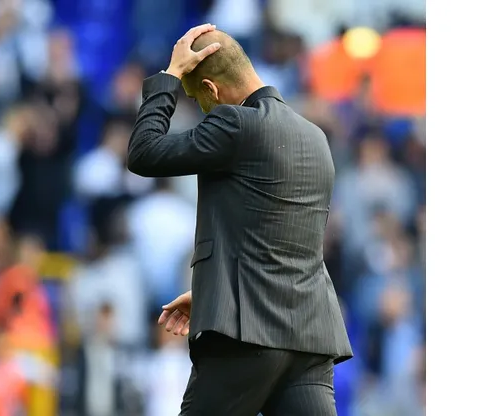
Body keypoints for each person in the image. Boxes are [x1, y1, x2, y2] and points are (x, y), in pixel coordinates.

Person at [127, 24, 352, 415]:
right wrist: (215, 292)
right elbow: (276, 237)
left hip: (248, 336)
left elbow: (143, 152)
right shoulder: (315, 137)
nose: (201, 107)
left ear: (211, 89)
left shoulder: (235, 124)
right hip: (310, 338)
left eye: (197, 99)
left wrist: (170, 76)